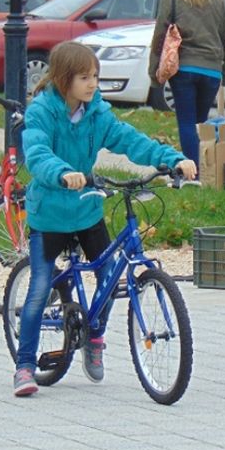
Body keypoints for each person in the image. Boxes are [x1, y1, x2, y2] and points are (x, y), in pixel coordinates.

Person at [13, 41, 196, 397]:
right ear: (64, 79)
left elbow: (131, 141)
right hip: (49, 213)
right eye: (84, 77)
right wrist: (62, 172)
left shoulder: (96, 114)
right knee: (38, 290)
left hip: (86, 209)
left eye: (95, 76)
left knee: (109, 277)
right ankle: (24, 366)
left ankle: (95, 338)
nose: (92, 83)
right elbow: (36, 152)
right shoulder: (42, 113)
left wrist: (173, 158)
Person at [148, 0, 225, 174]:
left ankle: (192, 170)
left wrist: (154, 73)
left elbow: (160, 37)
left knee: (187, 121)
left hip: (184, 68)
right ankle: (204, 167)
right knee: (200, 121)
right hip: (212, 71)